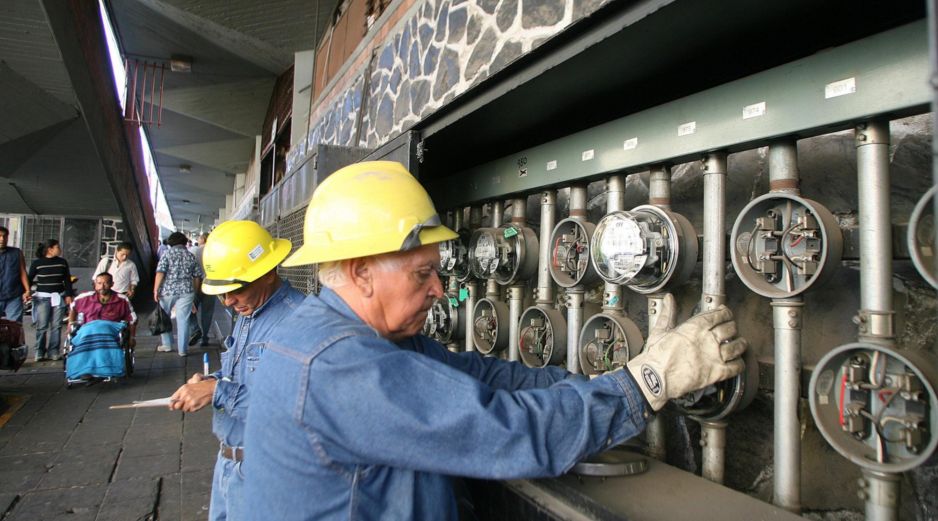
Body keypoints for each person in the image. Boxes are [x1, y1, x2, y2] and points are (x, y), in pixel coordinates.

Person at [242, 161, 748, 520]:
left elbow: (485, 376)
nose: (440, 290)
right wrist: (649, 382)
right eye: (423, 274)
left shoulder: (359, 337)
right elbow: (505, 431)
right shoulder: (340, 366)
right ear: (362, 273)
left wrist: (614, 375)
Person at [168, 221, 302, 521]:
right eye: (222, 294)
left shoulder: (299, 323)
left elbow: (295, 408)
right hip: (229, 463)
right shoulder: (250, 309)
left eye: (236, 290)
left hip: (268, 472)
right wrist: (210, 381)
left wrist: (218, 391)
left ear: (269, 272)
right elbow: (241, 374)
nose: (228, 301)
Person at [153, 231, 204, 357]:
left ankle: (168, 344)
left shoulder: (167, 254)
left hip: (168, 291)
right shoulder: (190, 255)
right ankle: (182, 350)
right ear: (184, 242)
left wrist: (155, 290)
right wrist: (195, 292)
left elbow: (160, 272)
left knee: (164, 316)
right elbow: (197, 276)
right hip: (187, 291)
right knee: (184, 320)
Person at [28, 239, 73, 361]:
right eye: (57, 247)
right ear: (50, 249)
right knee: (42, 325)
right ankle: (39, 350)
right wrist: (27, 291)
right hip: (42, 298)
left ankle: (53, 351)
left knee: (56, 325)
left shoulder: (62, 262)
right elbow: (29, 279)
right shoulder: (37, 263)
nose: (60, 249)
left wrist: (69, 295)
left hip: (58, 296)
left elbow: (67, 280)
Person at [69, 272, 137, 345]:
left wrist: (132, 337)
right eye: (99, 283)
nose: (102, 286)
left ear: (112, 284)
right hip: (87, 331)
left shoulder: (122, 300)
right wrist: (70, 325)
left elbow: (133, 319)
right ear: (95, 284)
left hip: (110, 332)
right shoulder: (84, 298)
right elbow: (73, 308)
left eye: (106, 283)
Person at [187, 232, 214, 347]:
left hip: (195, 284)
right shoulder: (215, 251)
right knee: (207, 313)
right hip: (211, 285)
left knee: (189, 309)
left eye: (199, 237)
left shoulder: (194, 250)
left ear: (203, 239)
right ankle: (204, 338)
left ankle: (195, 329)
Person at [0, 226, 30, 323]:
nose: (2, 239)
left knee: (15, 325)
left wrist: (28, 290)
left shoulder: (16, 252)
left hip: (14, 295)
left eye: (4, 236)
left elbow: (22, 271)